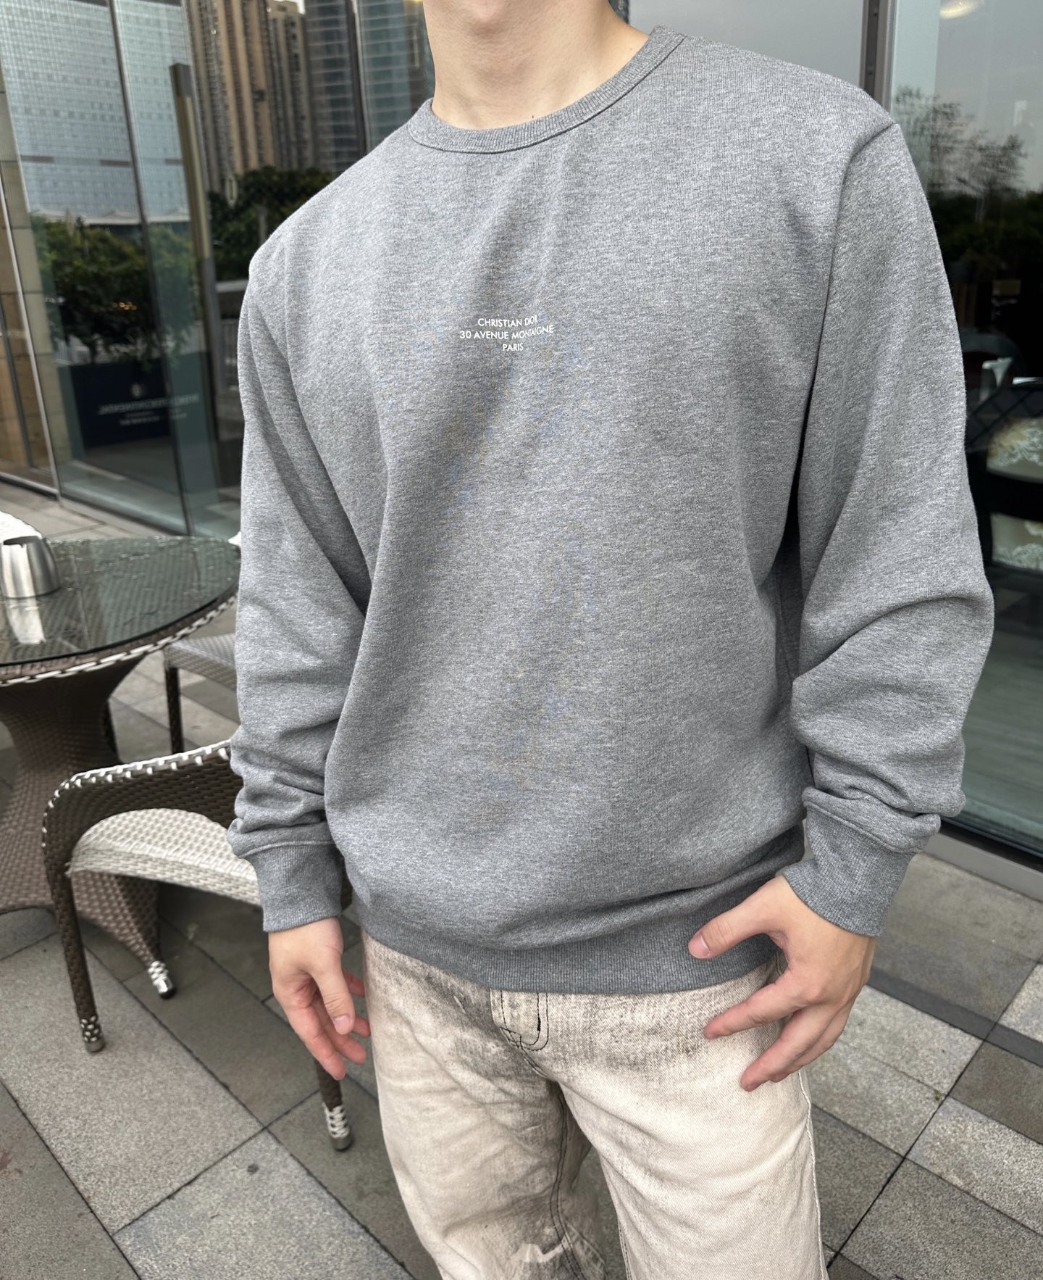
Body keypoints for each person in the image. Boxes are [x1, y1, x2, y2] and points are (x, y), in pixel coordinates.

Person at [225, 3, 995, 1276]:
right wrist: (289, 868)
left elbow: (895, 545)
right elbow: (298, 605)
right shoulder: (305, 265)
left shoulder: (813, 160)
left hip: (698, 962)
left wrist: (856, 859)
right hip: (414, 960)